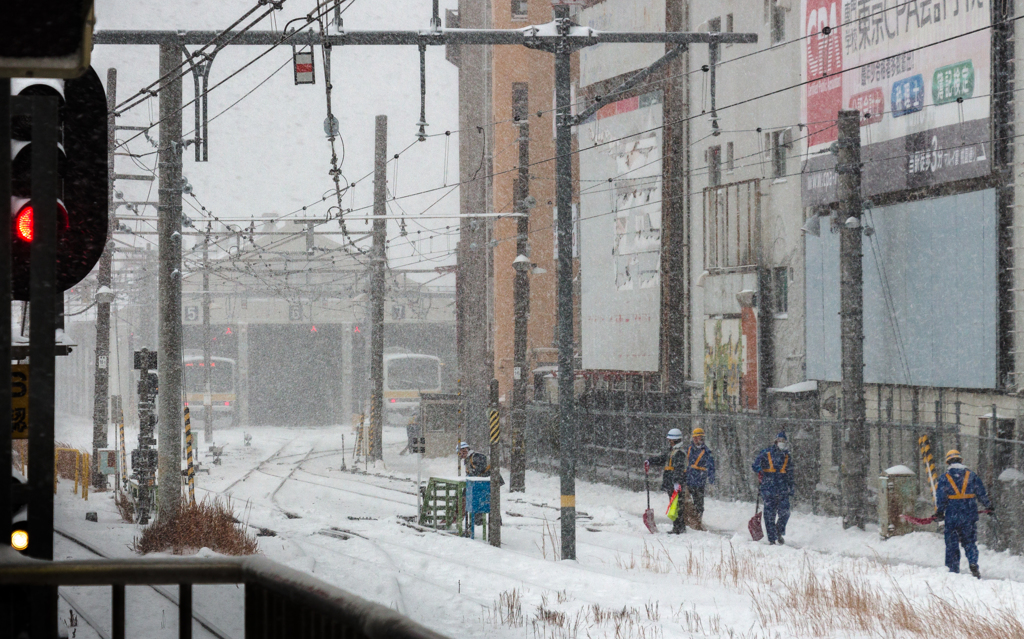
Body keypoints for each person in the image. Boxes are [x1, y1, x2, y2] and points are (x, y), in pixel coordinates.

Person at [934, 449, 993, 578]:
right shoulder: (971, 476)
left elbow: (941, 497)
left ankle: (953, 570)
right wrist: (988, 506)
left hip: (952, 516)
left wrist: (939, 512)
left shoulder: (945, 478)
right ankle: (973, 562)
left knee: (952, 544)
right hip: (969, 514)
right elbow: (981, 492)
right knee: (970, 542)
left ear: (948, 462)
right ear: (961, 460)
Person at [751, 432, 793, 545]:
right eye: (779, 440)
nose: (781, 443)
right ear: (776, 441)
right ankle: (772, 539)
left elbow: (790, 473)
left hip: (782, 489)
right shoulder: (766, 453)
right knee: (769, 515)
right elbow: (755, 465)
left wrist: (791, 487)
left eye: (783, 441)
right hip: (769, 488)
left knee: (785, 513)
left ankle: (778, 530)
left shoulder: (787, 456)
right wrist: (760, 469)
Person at [644, 428, 688, 534]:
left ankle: (679, 527)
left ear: (674, 440)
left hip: (675, 483)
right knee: (674, 505)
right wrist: (650, 461)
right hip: (671, 482)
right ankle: (677, 526)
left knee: (677, 506)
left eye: (670, 440)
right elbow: (662, 459)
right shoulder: (672, 452)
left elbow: (679, 468)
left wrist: (677, 482)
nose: (669, 441)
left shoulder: (679, 453)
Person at [684, 427, 716, 530]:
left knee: (699, 503)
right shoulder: (689, 449)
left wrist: (711, 482)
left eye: (699, 438)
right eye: (696, 437)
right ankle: (687, 521)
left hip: (699, 481)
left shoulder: (707, 452)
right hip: (688, 480)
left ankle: (697, 522)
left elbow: (711, 467)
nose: (697, 440)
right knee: (685, 501)